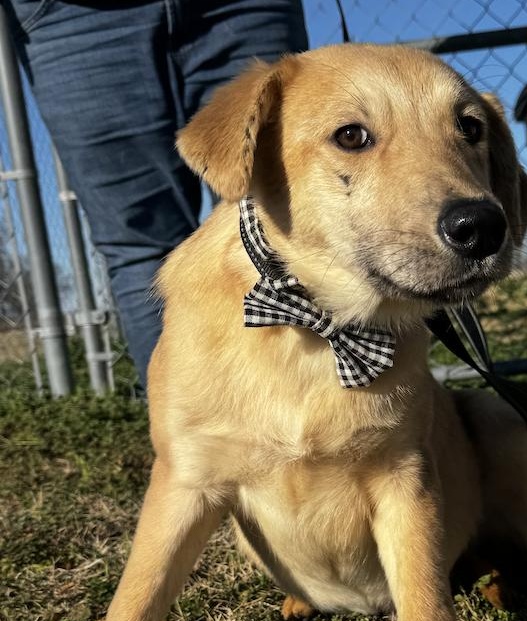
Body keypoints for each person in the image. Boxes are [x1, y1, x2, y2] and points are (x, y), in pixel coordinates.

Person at [2, 0, 308, 390]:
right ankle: (191, 434)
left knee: (272, 219)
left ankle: (330, 426)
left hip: (242, 5)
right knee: (140, 244)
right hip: (72, 15)